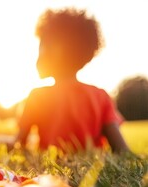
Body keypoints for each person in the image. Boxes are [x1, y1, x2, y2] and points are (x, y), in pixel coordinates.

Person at [9, 8, 129, 153]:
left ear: (51, 50)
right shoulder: (101, 96)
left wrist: (3, 141)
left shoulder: (37, 97)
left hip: (49, 173)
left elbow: (18, 144)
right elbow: (121, 149)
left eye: (40, 47)